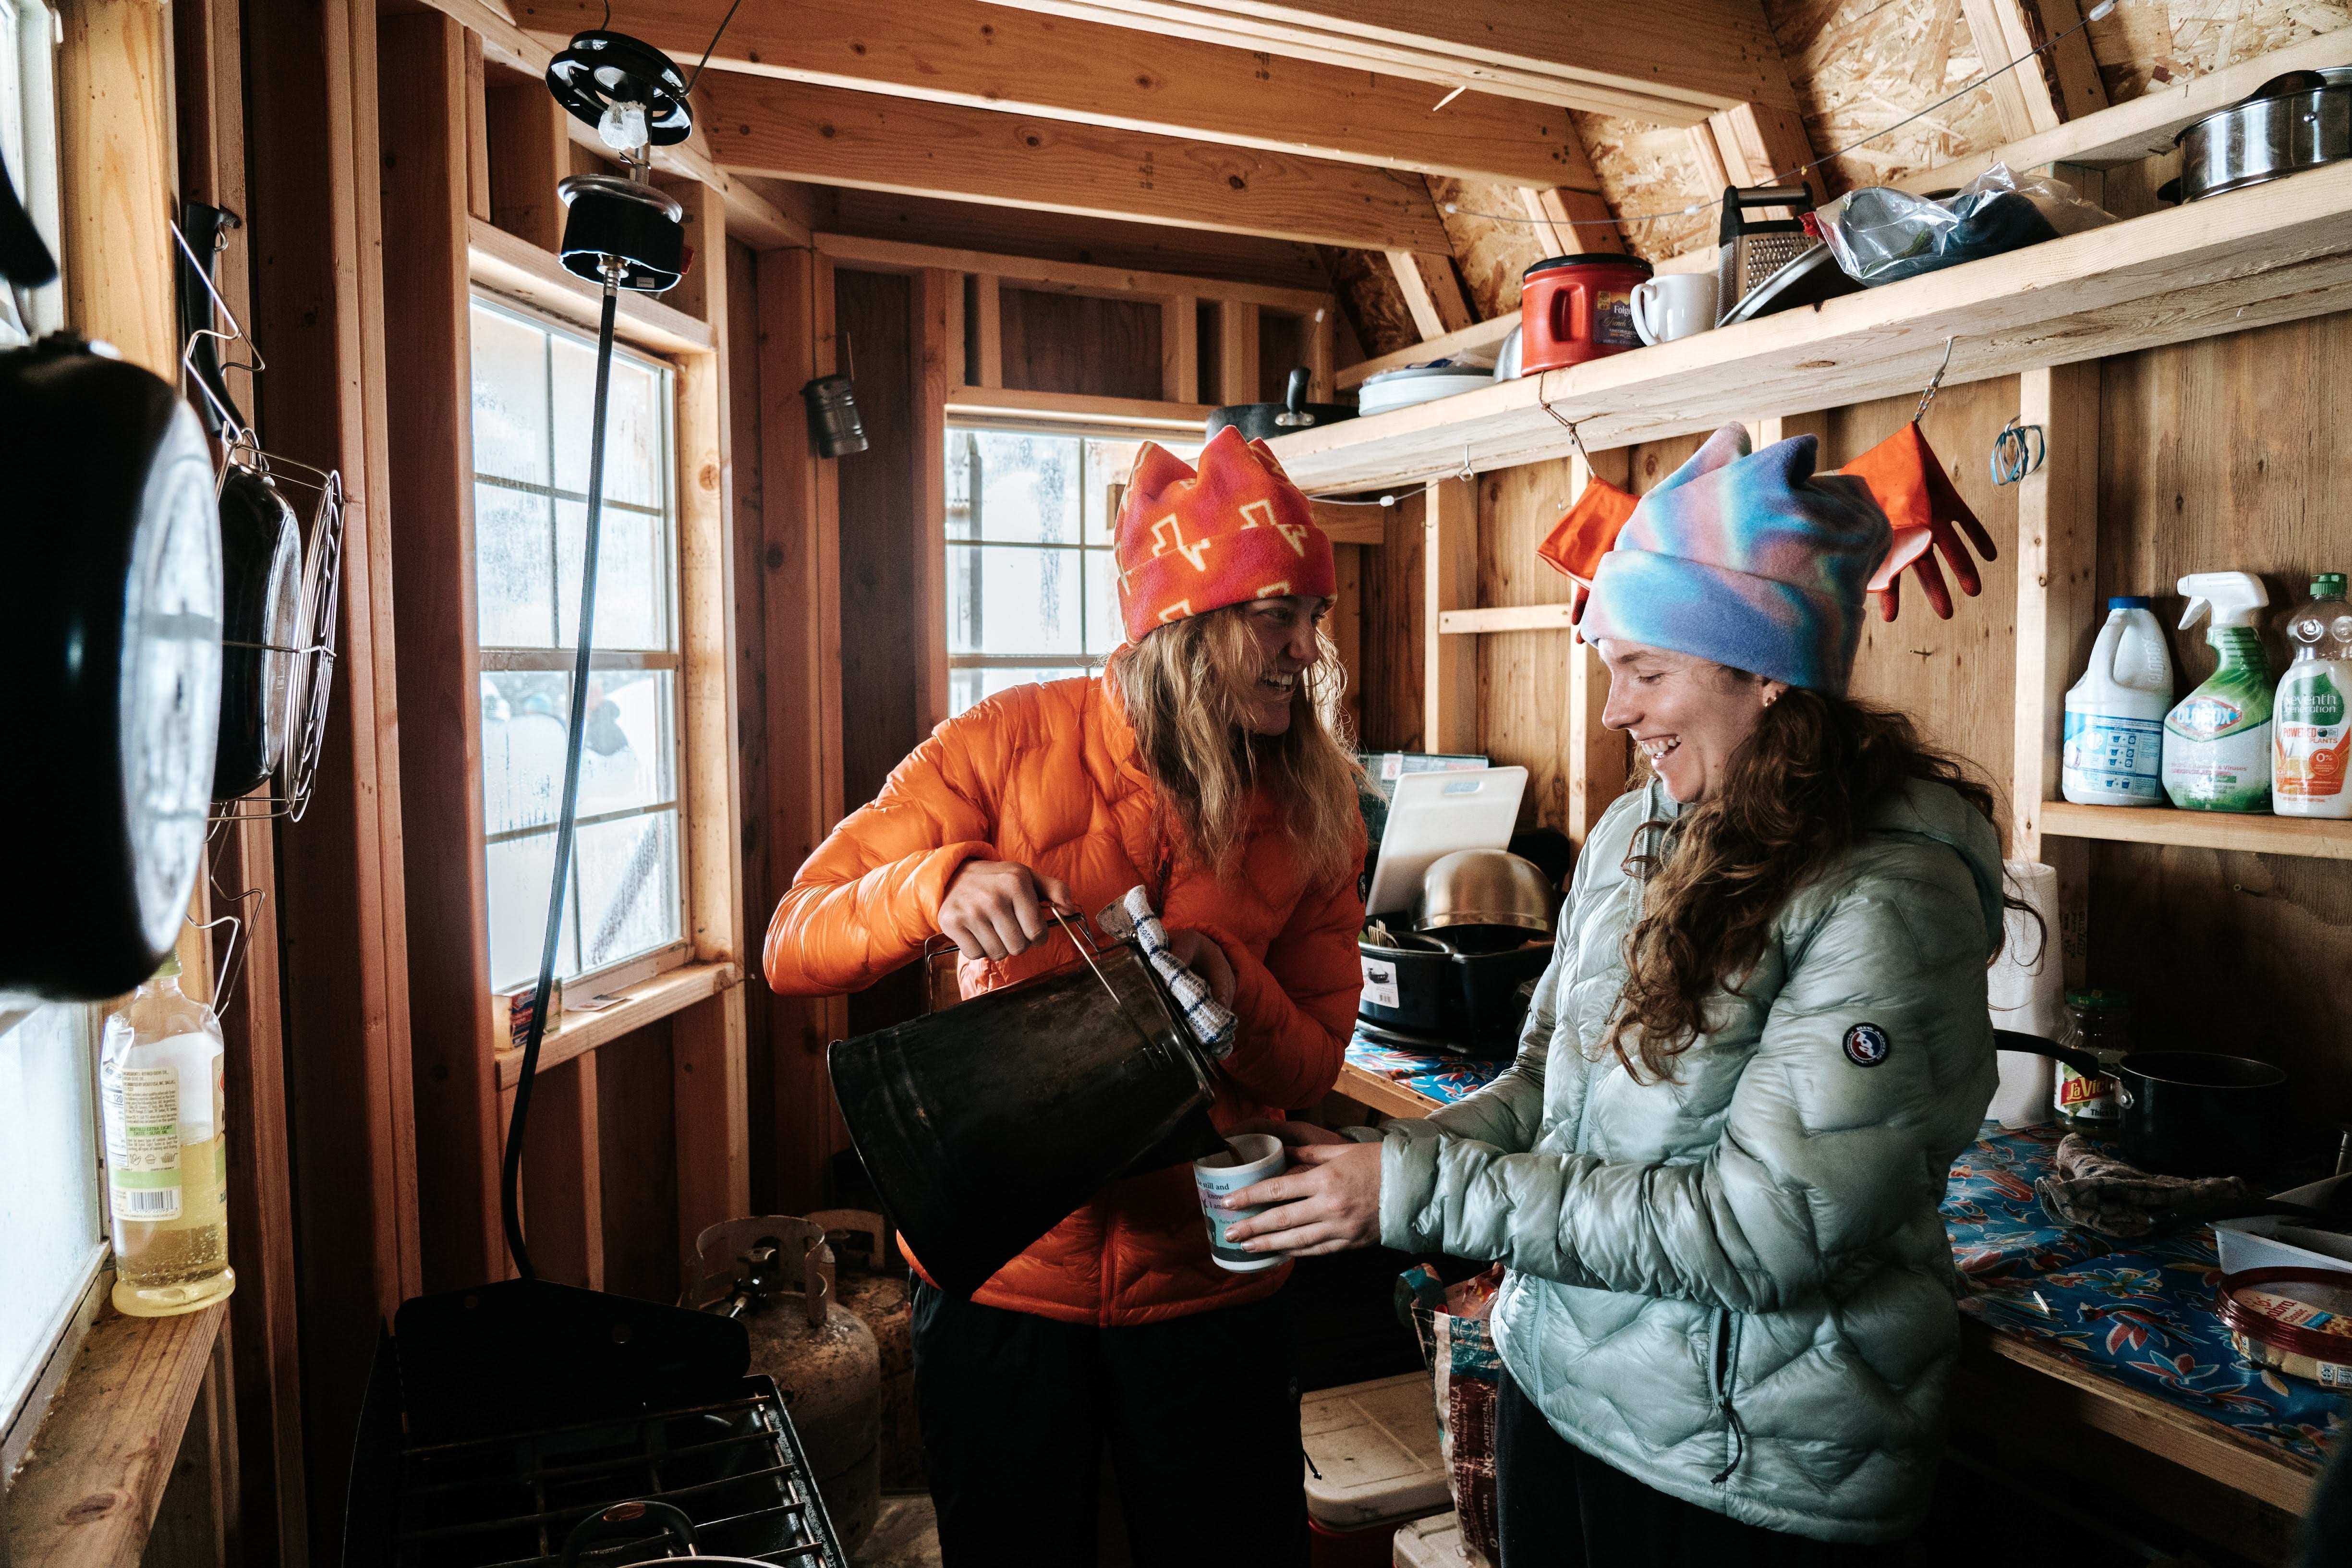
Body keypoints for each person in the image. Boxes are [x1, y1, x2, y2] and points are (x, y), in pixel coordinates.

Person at [1225, 424, 2008, 1563]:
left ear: (1767, 674)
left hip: (1740, 1464)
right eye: (1611, 671)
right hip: (1562, 1386)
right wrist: (1375, 1170)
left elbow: (1764, 1233)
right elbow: (1549, 1084)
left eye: (1646, 672)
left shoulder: (1886, 897)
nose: (1612, 712)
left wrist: (1415, 1186)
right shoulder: (1639, 830)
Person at [764, 426, 1366, 1567]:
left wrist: (1234, 986)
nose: (1305, 652)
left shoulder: (1315, 804)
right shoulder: (1003, 744)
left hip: (1211, 1296)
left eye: (1314, 618)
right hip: (1002, 1291)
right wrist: (935, 886)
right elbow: (794, 938)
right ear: (1183, 628)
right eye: (1275, 615)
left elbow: (1311, 1070)